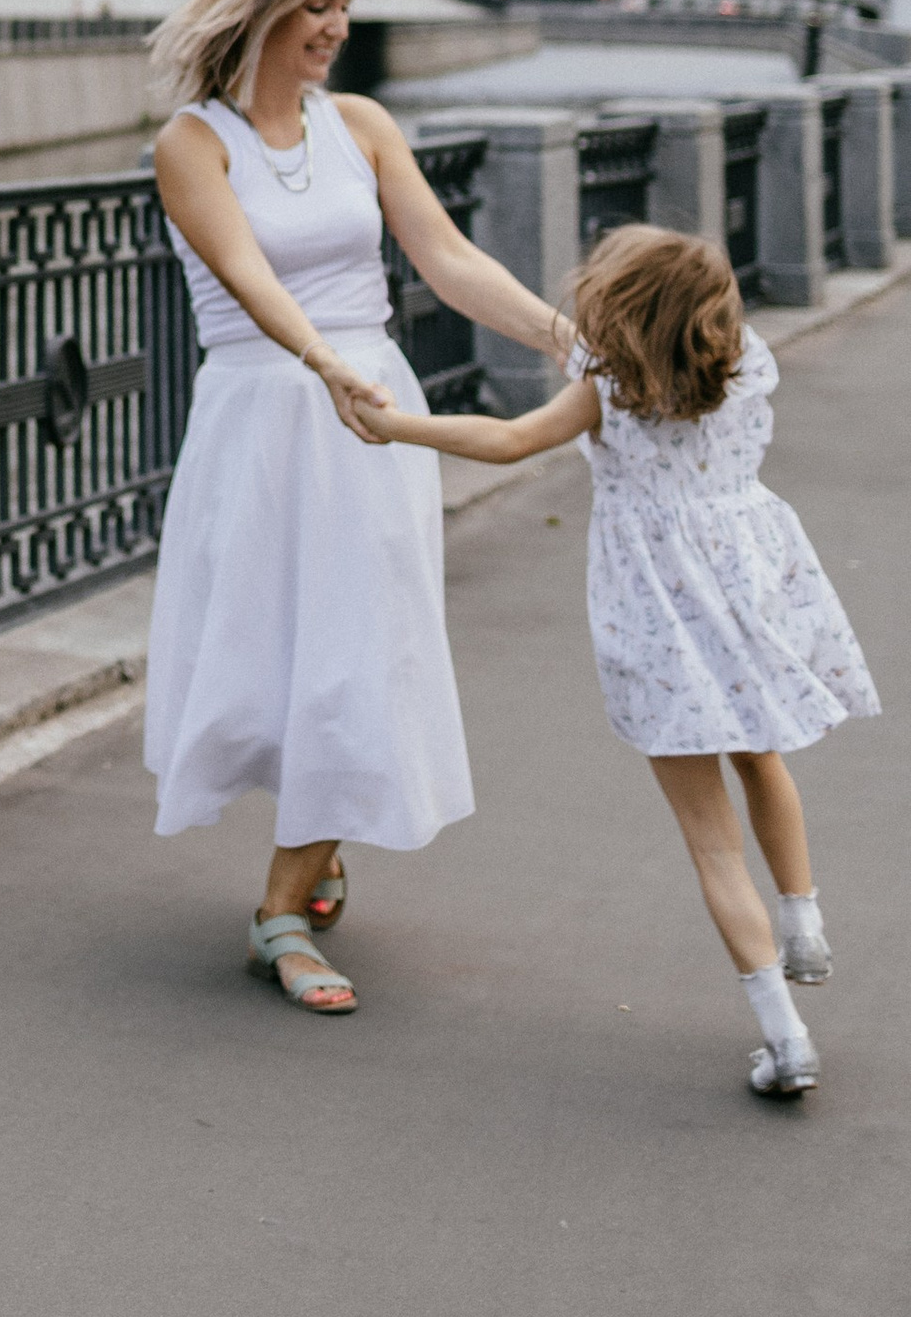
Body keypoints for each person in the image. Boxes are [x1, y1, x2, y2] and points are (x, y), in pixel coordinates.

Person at [146, 0, 571, 1014]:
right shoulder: (191, 146)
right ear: (260, 6)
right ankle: (314, 847)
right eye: (316, 6)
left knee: (359, 648)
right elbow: (246, 277)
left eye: (345, 6)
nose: (335, 28)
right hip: (266, 413)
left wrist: (559, 334)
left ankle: (278, 912)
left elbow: (446, 256)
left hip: (372, 413)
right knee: (278, 658)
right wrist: (320, 364)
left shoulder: (364, 125)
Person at [369, 222, 878, 1099]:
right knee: (763, 755)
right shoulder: (748, 364)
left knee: (712, 845)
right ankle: (804, 919)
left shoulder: (605, 391)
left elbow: (508, 440)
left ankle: (785, 1038)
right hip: (748, 585)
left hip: (658, 618)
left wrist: (396, 426)